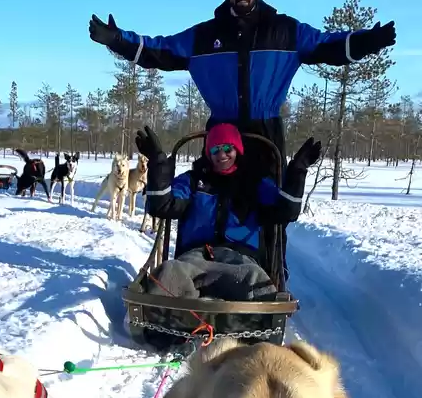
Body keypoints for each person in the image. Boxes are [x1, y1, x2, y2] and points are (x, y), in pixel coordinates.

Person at [90, 0, 395, 159]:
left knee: (271, 205)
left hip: (267, 133)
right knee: (214, 199)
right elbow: (159, 50)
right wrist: (118, 40)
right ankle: (208, 255)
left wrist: (368, 41)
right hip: (222, 130)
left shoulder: (284, 31)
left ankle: (274, 260)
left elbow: (329, 44)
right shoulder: (204, 36)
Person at [136, 121, 321, 303]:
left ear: (237, 150)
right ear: (208, 153)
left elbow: (286, 211)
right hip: (195, 258)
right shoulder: (193, 181)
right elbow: (162, 205)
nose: (221, 155)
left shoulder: (255, 184)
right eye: (215, 150)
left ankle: (250, 322)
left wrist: (298, 170)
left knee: (258, 281)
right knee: (168, 273)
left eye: (227, 148)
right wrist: (158, 162)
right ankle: (182, 316)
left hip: (240, 260)